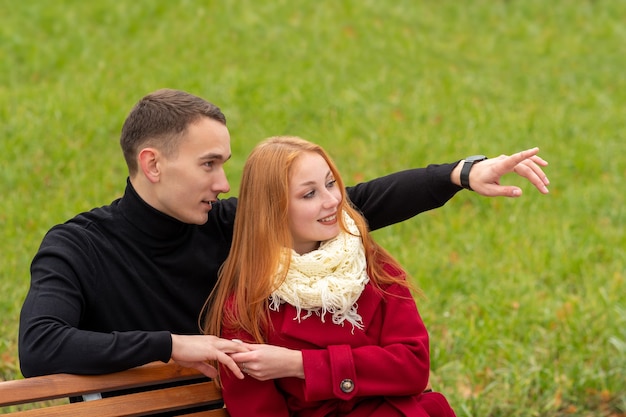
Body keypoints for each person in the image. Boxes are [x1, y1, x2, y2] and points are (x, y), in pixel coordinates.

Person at [18, 88, 549, 379]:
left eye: (224, 163)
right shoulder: (77, 247)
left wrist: (459, 173)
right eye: (208, 165)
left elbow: (350, 204)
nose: (224, 183)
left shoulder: (226, 224)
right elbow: (40, 347)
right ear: (152, 164)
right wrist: (174, 346)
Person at [202, 136, 457, 416]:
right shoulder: (246, 306)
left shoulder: (370, 264)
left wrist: (299, 365)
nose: (333, 200)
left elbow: (413, 368)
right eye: (309, 194)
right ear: (273, 210)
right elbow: (257, 409)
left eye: (330, 183)